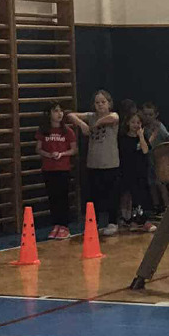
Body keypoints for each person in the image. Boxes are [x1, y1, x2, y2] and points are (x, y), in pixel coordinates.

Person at [67, 89, 120, 236]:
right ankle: (93, 222)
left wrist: (97, 123)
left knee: (111, 195)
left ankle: (113, 222)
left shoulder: (113, 116)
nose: (100, 105)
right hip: (93, 163)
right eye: (97, 103)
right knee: (93, 195)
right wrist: (82, 124)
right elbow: (70, 115)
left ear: (109, 103)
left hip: (110, 163)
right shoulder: (90, 116)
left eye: (103, 102)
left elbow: (112, 118)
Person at [35, 101, 78, 239]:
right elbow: (38, 149)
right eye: (56, 111)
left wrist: (62, 154)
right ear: (49, 114)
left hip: (63, 169)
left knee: (63, 197)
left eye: (61, 111)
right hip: (48, 168)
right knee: (52, 197)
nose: (59, 114)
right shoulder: (43, 131)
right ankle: (56, 225)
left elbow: (74, 149)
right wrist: (48, 154)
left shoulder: (67, 131)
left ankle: (64, 226)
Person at [119, 111, 156, 232]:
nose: (136, 125)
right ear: (128, 123)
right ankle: (131, 220)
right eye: (133, 122)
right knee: (129, 196)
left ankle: (143, 220)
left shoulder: (142, 137)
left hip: (141, 172)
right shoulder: (122, 138)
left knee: (141, 196)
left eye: (138, 122)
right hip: (127, 171)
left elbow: (145, 150)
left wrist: (141, 136)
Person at [140, 102, 169, 214]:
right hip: (149, 159)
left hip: (160, 159)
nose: (148, 117)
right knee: (151, 184)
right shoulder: (143, 128)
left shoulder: (159, 126)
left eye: (150, 114)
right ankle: (156, 206)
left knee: (160, 183)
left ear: (156, 115)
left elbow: (167, 138)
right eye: (146, 114)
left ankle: (167, 208)